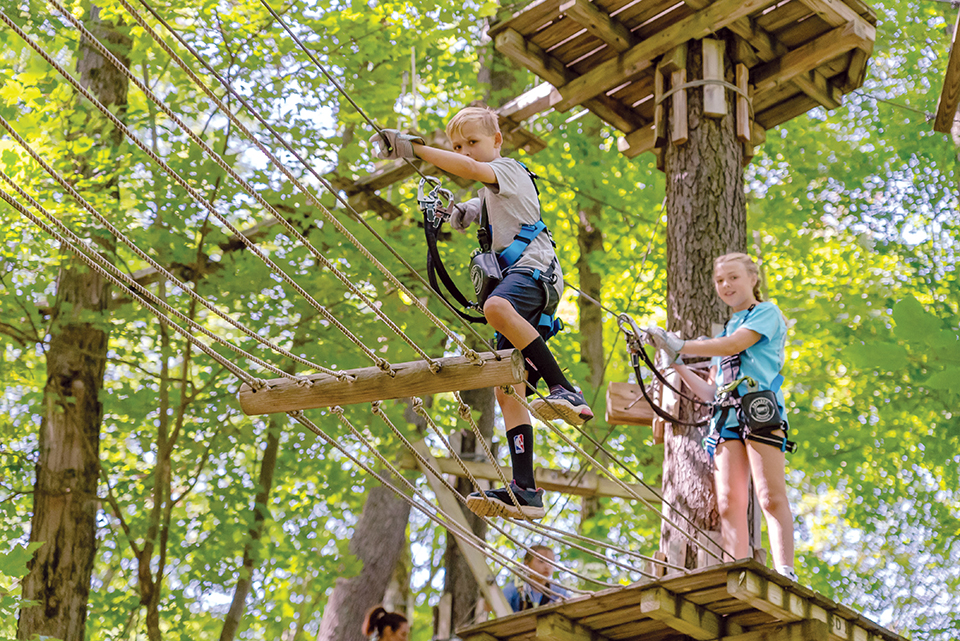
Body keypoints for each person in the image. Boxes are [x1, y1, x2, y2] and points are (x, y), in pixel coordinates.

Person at [369, 106, 593, 520]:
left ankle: (566, 390)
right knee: (507, 388)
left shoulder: (509, 170)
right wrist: (447, 213)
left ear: (497, 141)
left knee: (496, 306)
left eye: (472, 142)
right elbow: (467, 211)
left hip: (534, 273)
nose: (465, 151)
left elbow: (474, 171)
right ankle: (525, 490)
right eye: (458, 145)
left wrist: (415, 149)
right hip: (517, 285)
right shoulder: (488, 196)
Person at [645, 253, 797, 581]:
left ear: (753, 279)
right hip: (726, 416)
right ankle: (736, 569)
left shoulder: (766, 314)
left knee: (770, 496)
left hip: (759, 410)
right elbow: (709, 391)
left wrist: (683, 343)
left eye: (733, 277)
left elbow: (735, 344)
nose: (726, 285)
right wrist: (676, 362)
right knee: (729, 501)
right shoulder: (728, 326)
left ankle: (785, 571)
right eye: (719, 280)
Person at [503, 544, 568, 611]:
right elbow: (499, 605)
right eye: (541, 561)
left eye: (550, 562)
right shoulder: (515, 587)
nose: (547, 566)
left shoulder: (558, 591)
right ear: (527, 563)